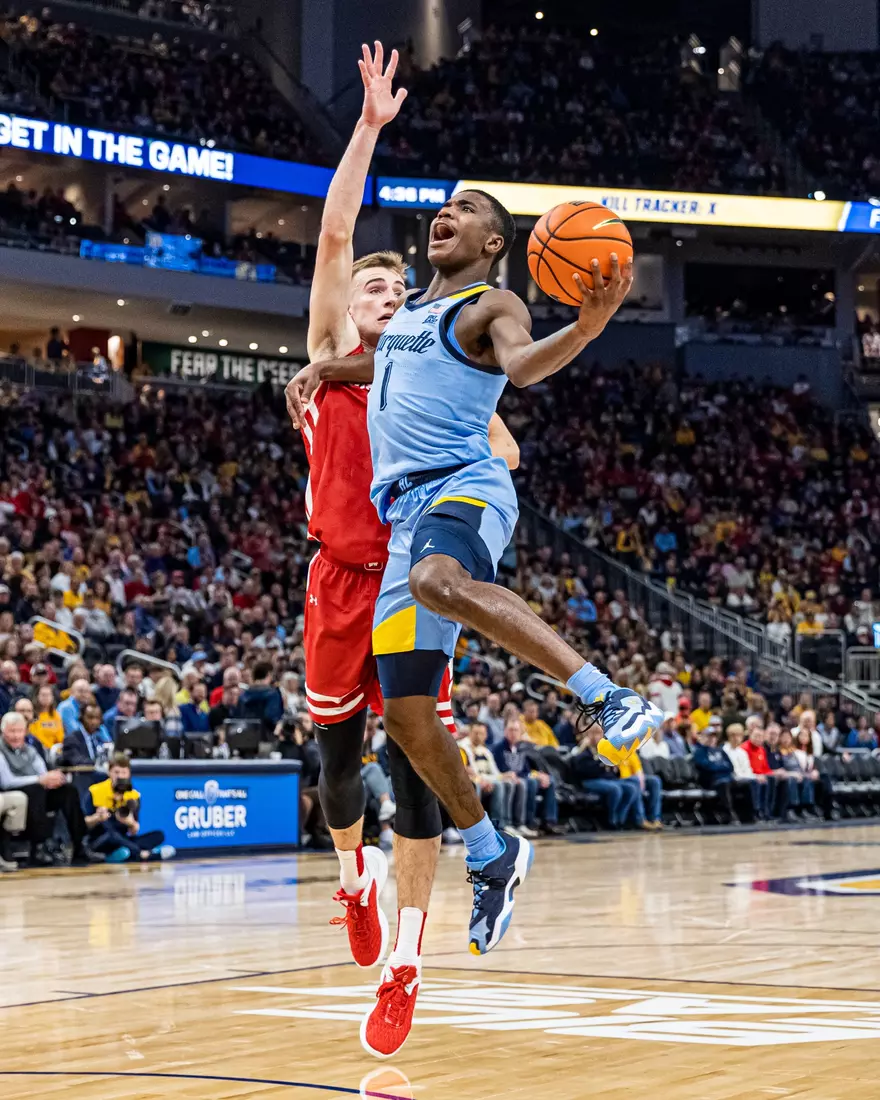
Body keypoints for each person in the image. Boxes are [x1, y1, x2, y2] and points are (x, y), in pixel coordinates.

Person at [289, 129, 661, 970]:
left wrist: (586, 328)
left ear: (494, 243)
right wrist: (321, 373)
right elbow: (381, 367)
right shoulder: (408, 321)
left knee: (437, 577)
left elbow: (522, 367)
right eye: (442, 206)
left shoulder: (492, 307)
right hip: (402, 519)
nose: (444, 214)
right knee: (409, 721)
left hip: (464, 487)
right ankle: (493, 851)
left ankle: (603, 696)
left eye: (464, 210)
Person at [284, 42, 520, 1059]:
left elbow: (502, 440)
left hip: (408, 577)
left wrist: (488, 442)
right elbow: (338, 228)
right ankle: (353, 881)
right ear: (348, 310)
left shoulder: (430, 363)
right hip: (335, 580)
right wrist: (369, 127)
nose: (384, 295)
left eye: (395, 291)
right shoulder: (328, 361)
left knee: (417, 766)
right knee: (337, 772)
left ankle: (406, 966)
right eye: (370, 291)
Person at [0, 711, 87, 865]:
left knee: (68, 791)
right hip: (13, 791)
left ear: (25, 732)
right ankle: (39, 846)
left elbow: (43, 773)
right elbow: (7, 782)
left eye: (19, 731)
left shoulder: (30, 750)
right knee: (37, 789)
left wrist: (53, 778)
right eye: (12, 731)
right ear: (3, 731)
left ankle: (79, 845)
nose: (16, 736)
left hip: (36, 790)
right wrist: (39, 780)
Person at [82, 754, 174, 862]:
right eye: (116, 772)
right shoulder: (95, 791)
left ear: (129, 773)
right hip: (100, 839)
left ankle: (123, 854)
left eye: (123, 772)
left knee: (159, 835)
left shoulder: (133, 796)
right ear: (109, 772)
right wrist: (97, 818)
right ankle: (143, 854)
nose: (120, 776)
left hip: (123, 839)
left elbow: (134, 830)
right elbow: (83, 824)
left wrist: (131, 823)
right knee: (112, 835)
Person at [570, 726, 638, 829]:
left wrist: (614, 769)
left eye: (599, 733)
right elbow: (582, 770)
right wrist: (601, 765)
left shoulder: (604, 750)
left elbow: (612, 771)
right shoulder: (584, 750)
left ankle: (621, 819)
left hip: (607, 779)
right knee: (615, 789)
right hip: (589, 780)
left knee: (631, 788)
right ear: (589, 735)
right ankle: (610, 819)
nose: (597, 736)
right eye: (594, 733)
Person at [692, 728, 737, 824]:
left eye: (714, 736)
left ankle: (748, 814)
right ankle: (728, 814)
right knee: (724, 784)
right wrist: (721, 766)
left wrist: (717, 766)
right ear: (703, 737)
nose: (712, 739)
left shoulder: (720, 751)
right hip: (710, 780)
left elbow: (731, 766)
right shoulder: (699, 751)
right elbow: (707, 767)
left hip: (726, 778)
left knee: (744, 784)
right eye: (709, 736)